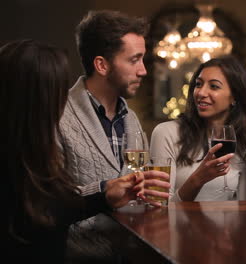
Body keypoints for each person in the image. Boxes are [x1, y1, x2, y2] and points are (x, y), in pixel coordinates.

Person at [3, 39, 166, 263]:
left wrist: (104, 193)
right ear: (35, 97)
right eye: (58, 90)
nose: (63, 101)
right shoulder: (20, 149)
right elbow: (36, 219)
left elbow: (50, 206)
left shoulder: (32, 141)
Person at [58, 10, 169, 262]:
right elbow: (46, 201)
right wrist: (103, 192)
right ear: (101, 65)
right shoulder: (57, 114)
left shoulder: (131, 119)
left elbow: (139, 190)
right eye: (134, 60)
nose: (143, 71)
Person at [150, 55, 246, 201]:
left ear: (234, 97)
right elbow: (159, 207)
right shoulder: (166, 133)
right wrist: (198, 179)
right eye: (198, 84)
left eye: (214, 86)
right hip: (178, 224)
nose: (201, 93)